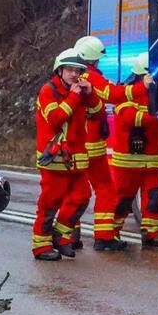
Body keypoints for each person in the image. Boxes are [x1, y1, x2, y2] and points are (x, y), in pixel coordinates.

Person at [74, 35, 153, 251]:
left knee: (74, 191)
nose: (98, 63)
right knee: (106, 188)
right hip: (91, 147)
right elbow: (114, 94)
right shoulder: (90, 77)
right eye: (97, 60)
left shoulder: (72, 78)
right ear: (91, 60)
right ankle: (104, 237)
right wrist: (141, 88)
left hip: (76, 146)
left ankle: (70, 237)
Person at [32, 48, 96, 261]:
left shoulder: (79, 91)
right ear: (59, 71)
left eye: (77, 71)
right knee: (50, 203)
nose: (74, 75)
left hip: (76, 159)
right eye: (69, 70)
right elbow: (55, 119)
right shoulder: (48, 91)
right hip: (55, 160)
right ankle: (41, 245)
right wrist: (74, 97)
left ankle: (61, 236)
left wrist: (89, 93)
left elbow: (96, 113)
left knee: (82, 197)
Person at [110, 53, 158, 246]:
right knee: (122, 201)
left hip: (151, 159)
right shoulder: (126, 93)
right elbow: (130, 118)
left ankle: (151, 234)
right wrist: (156, 118)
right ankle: (110, 233)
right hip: (127, 162)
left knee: (154, 199)